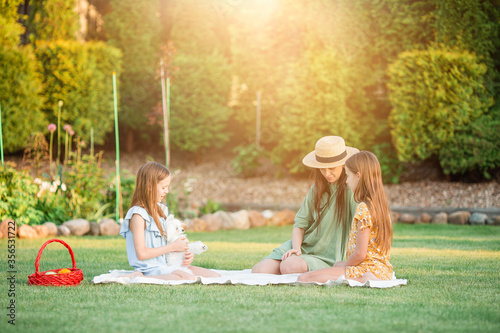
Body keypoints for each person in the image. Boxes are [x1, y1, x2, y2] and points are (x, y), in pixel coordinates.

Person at [252, 136, 359, 275]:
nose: (327, 173)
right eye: (322, 168)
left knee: (289, 267)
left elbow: (360, 225)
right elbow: (300, 223)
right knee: (259, 270)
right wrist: (296, 250)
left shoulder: (351, 190)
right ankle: (295, 260)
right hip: (300, 246)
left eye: (331, 168)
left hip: (325, 256)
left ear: (343, 165)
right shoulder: (316, 189)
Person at [297, 151, 394, 283]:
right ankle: (363, 277)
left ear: (358, 176)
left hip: (366, 268)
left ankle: (363, 280)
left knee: (304, 278)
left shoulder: (363, 208)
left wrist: (346, 264)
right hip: (381, 269)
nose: (347, 181)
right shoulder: (379, 205)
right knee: (331, 268)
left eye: (348, 176)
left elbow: (360, 253)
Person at [119, 161, 220, 281]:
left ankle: (171, 273)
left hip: (165, 265)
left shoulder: (161, 210)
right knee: (188, 277)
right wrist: (173, 247)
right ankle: (138, 276)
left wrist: (184, 253)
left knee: (214, 276)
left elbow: (168, 243)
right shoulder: (138, 215)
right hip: (148, 268)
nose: (167, 191)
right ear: (149, 186)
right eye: (163, 187)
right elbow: (142, 254)